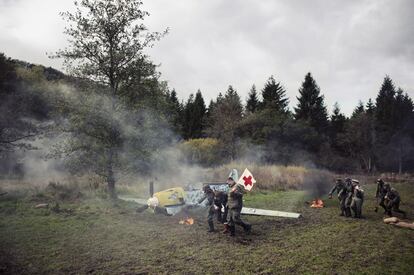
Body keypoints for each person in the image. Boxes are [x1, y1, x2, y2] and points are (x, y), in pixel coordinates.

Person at [225, 172, 251, 236]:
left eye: (229, 181)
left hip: (236, 206)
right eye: (228, 180)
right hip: (230, 206)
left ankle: (247, 226)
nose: (227, 182)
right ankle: (232, 233)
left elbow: (241, 195)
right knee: (230, 220)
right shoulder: (231, 187)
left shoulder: (237, 186)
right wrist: (227, 204)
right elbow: (229, 197)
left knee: (236, 219)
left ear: (233, 181)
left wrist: (235, 193)